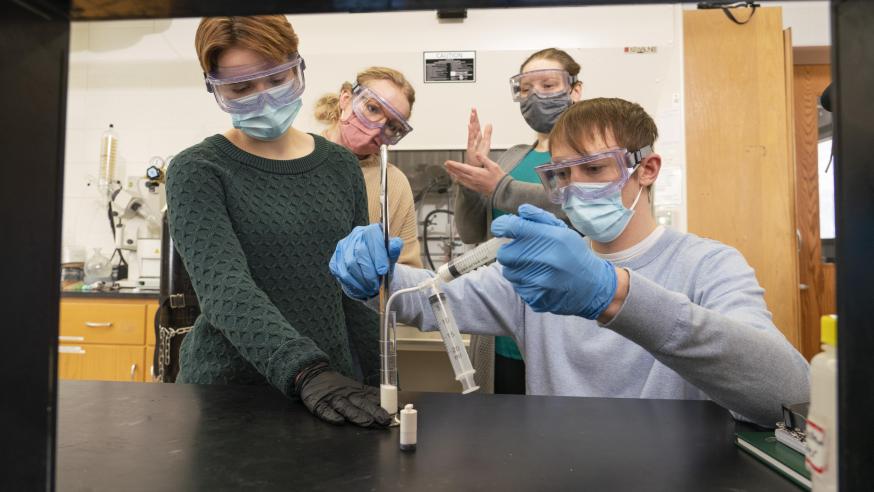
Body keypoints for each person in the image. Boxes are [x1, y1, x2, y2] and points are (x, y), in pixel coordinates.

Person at [329, 97, 810, 426]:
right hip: (559, 468)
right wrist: (378, 273)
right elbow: (429, 297)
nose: (574, 186)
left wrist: (614, 294)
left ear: (646, 168)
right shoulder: (543, 272)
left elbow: (783, 392)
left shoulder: (709, 265)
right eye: (561, 174)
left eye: (596, 168)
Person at [165, 15, 390, 428]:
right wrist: (306, 371)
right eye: (241, 88)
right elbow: (225, 289)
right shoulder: (197, 170)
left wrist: (382, 379)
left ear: (297, 67)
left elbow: (351, 293)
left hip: (333, 393)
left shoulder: (339, 165)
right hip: (230, 397)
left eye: (275, 78)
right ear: (214, 88)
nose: (263, 98)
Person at [444, 48, 583, 394]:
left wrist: (499, 187)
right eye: (525, 88)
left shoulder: (587, 158)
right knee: (498, 438)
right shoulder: (512, 156)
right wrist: (473, 181)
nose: (535, 95)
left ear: (575, 90)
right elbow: (472, 231)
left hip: (561, 325)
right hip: (500, 331)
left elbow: (574, 212)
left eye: (548, 84)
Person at [315, 67, 422, 267]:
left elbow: (408, 269)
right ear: (346, 99)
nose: (377, 128)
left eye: (392, 126)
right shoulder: (300, 157)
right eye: (372, 109)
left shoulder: (393, 183)